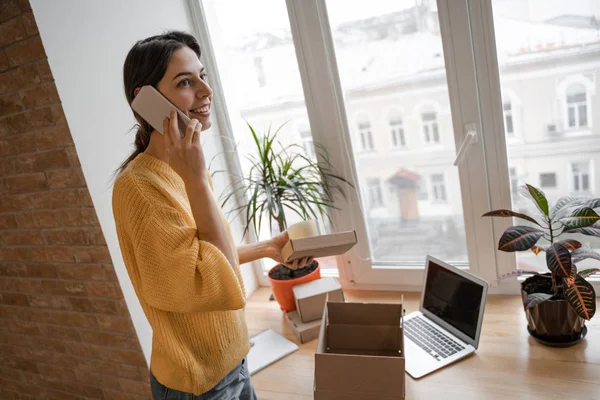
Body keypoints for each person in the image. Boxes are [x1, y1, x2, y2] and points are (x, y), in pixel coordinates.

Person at [112, 31, 313, 399]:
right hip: (198, 384)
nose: (206, 92)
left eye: (202, 76)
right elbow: (214, 287)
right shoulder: (140, 188)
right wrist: (196, 181)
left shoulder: (186, 169)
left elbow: (205, 255)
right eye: (186, 82)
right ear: (145, 100)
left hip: (233, 361)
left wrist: (267, 247)